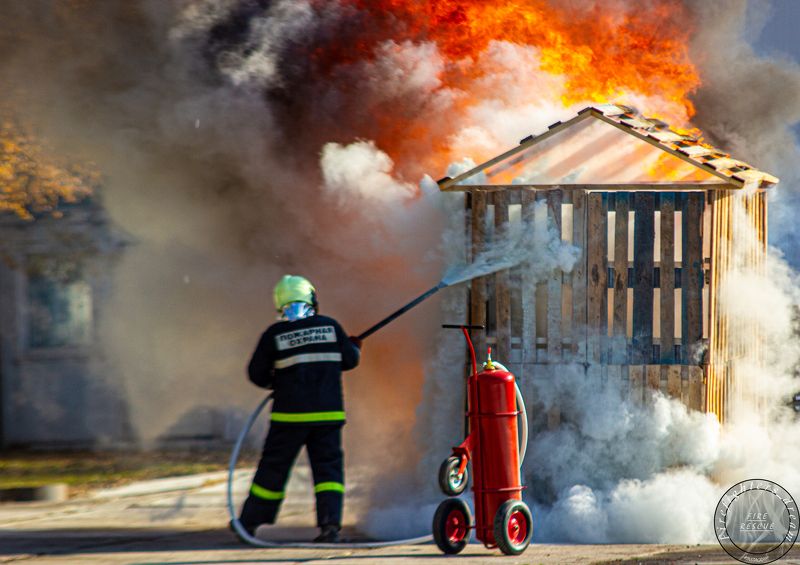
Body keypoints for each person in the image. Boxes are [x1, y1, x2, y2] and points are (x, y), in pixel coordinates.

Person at [236, 275, 362, 543]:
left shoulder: (274, 335)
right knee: (328, 473)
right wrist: (353, 346)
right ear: (312, 299)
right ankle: (330, 527)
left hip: (289, 418)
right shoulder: (330, 326)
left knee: (273, 470)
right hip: (328, 416)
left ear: (280, 304)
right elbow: (350, 361)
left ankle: (249, 524)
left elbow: (256, 373)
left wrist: (277, 382)